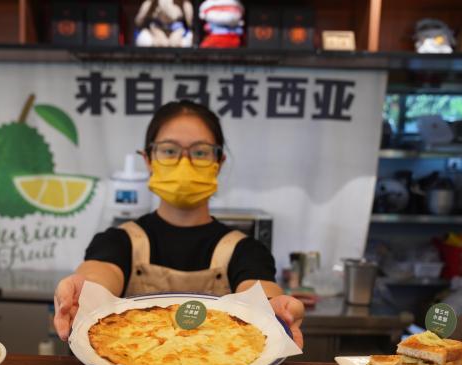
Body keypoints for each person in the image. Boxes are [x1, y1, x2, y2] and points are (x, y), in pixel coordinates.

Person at [54, 100, 304, 347]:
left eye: (200, 152)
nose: (184, 162)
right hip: (131, 363)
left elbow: (260, 294)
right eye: (169, 151)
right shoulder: (117, 241)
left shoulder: (247, 251)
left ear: (219, 163)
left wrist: (273, 309)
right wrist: (84, 293)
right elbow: (99, 275)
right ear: (148, 160)